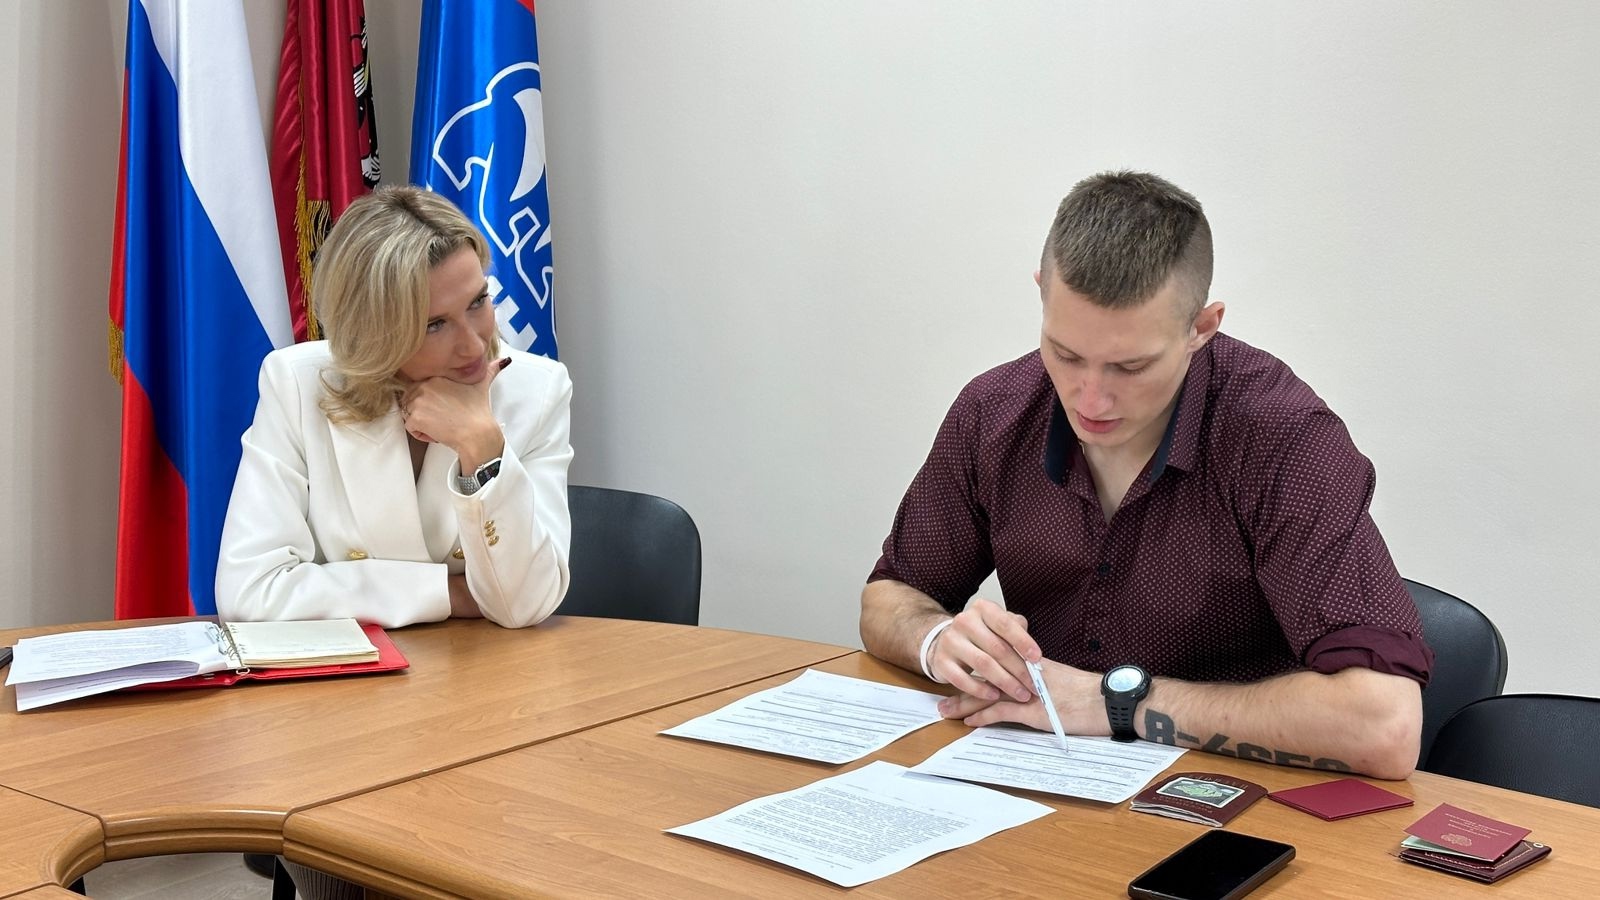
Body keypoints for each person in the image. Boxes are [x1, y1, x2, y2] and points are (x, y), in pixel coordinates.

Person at [859, 171, 1433, 780]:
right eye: (1066, 354)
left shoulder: (1282, 439)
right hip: (1040, 775)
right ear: (1042, 293)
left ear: (1201, 328)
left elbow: (1384, 727)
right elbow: (888, 598)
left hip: (1229, 796)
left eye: (1130, 367)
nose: (1090, 400)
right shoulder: (994, 411)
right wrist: (937, 639)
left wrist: (1112, 702)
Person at [215, 186, 573, 897]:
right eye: (435, 324)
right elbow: (251, 591)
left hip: (490, 722)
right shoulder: (297, 383)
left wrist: (482, 447)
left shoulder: (535, 391)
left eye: (478, 301)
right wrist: (448, 591)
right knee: (356, 866)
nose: (474, 343)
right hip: (337, 730)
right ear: (374, 330)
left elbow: (526, 601)